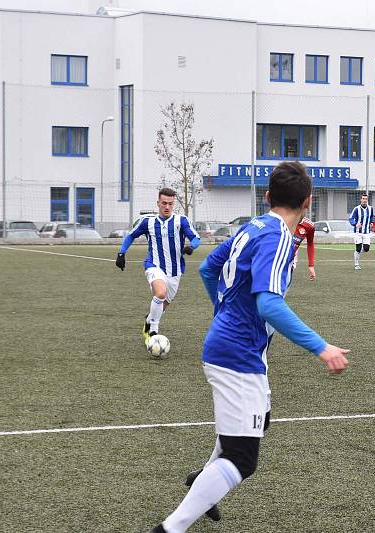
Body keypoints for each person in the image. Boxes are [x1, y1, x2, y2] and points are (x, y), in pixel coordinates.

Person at [148, 161, 349, 533]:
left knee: (261, 420)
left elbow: (209, 268)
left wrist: (224, 313)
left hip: (237, 347)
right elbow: (269, 303)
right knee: (242, 458)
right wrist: (322, 348)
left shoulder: (253, 226)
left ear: (268, 196)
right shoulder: (275, 237)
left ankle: (203, 480)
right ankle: (170, 528)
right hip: (237, 353)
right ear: (308, 202)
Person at [115, 187, 200, 343]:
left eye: (170, 204)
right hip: (154, 265)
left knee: (163, 304)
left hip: (175, 270)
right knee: (160, 293)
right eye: (164, 203)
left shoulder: (181, 221)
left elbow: (196, 238)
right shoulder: (147, 221)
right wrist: (121, 253)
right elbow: (131, 236)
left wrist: (191, 247)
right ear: (158, 203)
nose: (167, 207)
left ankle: (149, 320)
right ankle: (153, 332)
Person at [349, 193, 374, 270]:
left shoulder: (370, 208)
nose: (364, 200)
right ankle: (356, 264)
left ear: (367, 200)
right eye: (363, 199)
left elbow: (372, 217)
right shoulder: (356, 209)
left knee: (366, 249)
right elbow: (351, 218)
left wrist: (372, 222)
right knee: (358, 248)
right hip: (358, 232)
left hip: (367, 232)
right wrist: (355, 224)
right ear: (360, 200)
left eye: (365, 199)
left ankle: (357, 252)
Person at [291, 216, 316, 280]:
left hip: (291, 257)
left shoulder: (309, 226)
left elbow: (310, 243)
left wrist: (311, 265)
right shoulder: (281, 219)